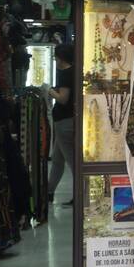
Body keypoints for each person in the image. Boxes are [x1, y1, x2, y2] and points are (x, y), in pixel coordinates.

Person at [46, 42, 75, 205]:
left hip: (64, 122)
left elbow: (63, 99)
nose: (55, 59)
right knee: (57, 159)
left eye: (56, 56)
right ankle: (49, 192)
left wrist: (49, 90)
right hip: (66, 121)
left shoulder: (65, 73)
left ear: (61, 57)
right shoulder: (72, 71)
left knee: (72, 160)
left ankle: (80, 194)